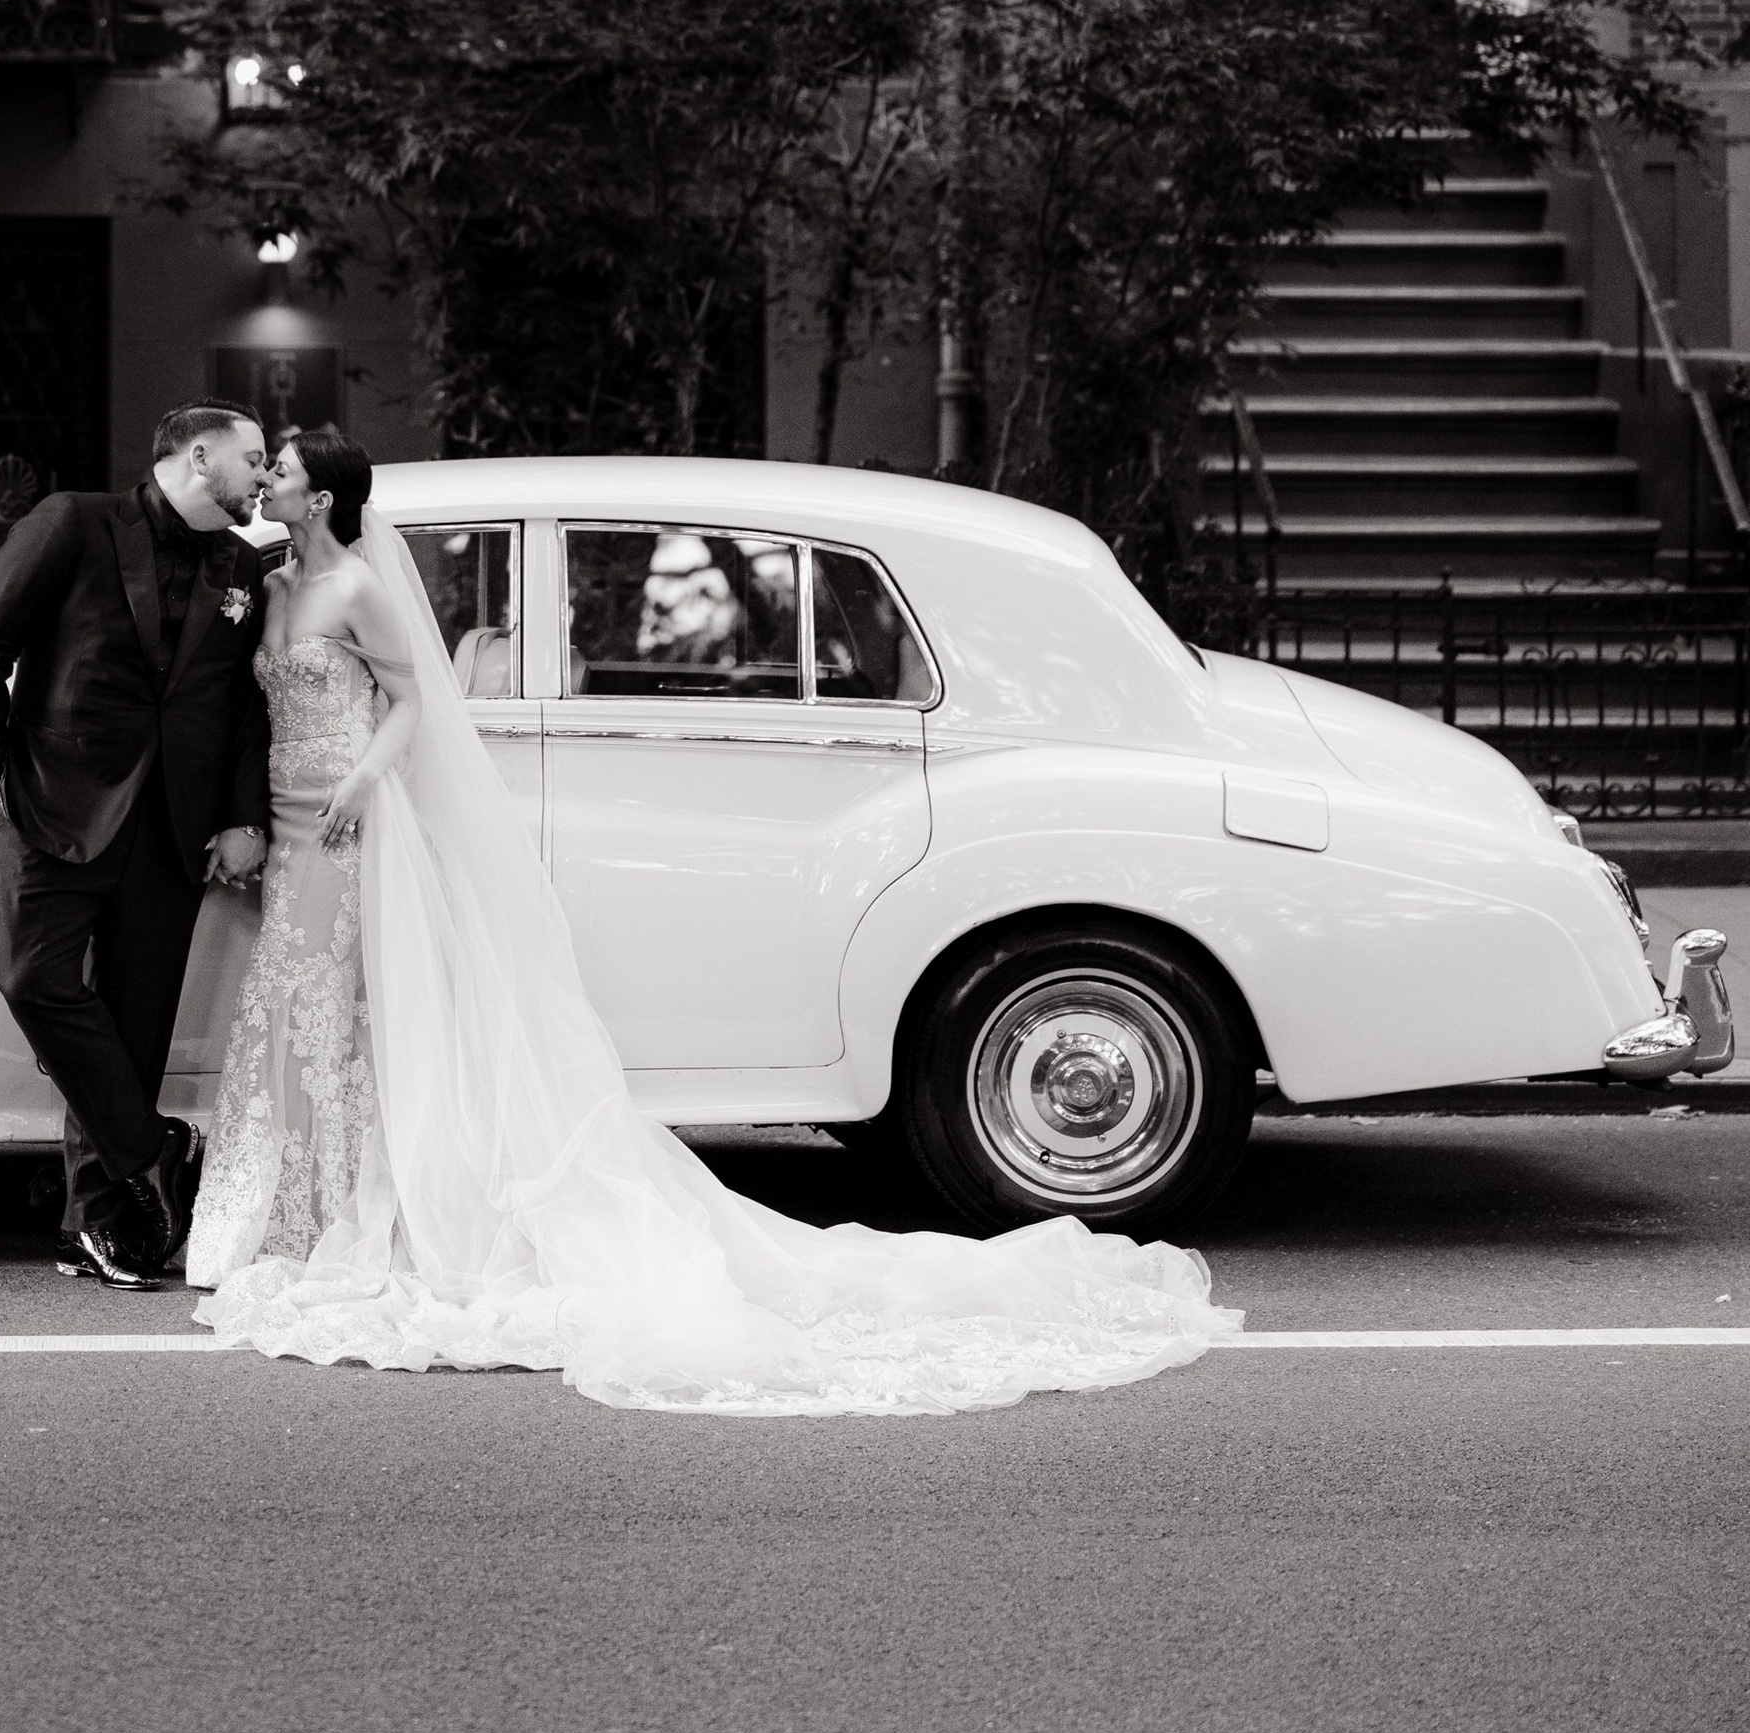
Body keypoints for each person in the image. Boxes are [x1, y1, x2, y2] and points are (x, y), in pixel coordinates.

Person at [187, 428, 1240, 1418]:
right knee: (305, 1014)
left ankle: (338, 1210)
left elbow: (410, 696)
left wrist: (365, 778)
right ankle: (289, 1206)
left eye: (274, 470)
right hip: (284, 816)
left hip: (344, 811)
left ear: (316, 496)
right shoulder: (274, 582)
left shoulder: (363, 583)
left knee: (351, 1014)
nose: (261, 481)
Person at [0, 403, 273, 1288]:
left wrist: (245, 818)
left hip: (173, 825)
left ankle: (96, 1228)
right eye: (252, 459)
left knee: (135, 1032)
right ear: (199, 457)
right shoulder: (73, 522)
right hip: (52, 805)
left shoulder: (242, 564)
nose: (264, 475)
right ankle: (153, 1148)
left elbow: (244, 708)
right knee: (31, 980)